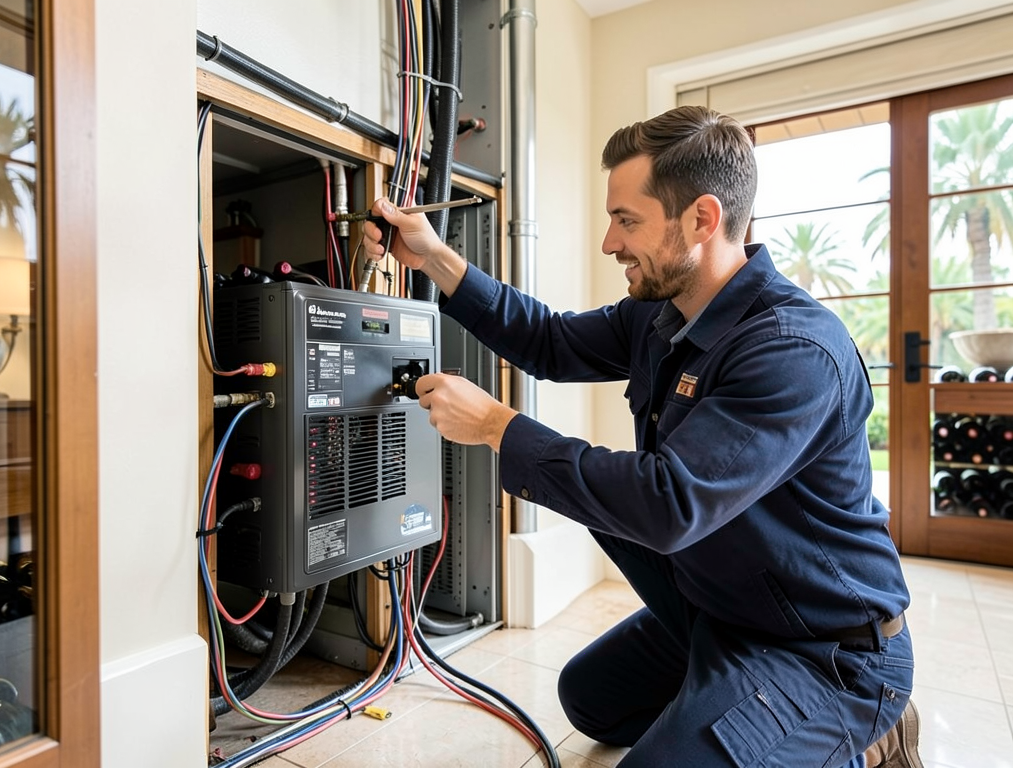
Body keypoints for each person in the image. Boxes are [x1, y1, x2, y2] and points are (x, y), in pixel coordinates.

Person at [362, 105, 921, 768]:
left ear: (702, 219)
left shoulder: (791, 352)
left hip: (826, 650)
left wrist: (494, 426)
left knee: (632, 506)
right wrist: (434, 258)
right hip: (722, 612)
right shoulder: (663, 314)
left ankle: (849, 735)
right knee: (589, 700)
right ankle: (731, 700)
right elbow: (549, 341)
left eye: (626, 220)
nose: (609, 242)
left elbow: (668, 505)